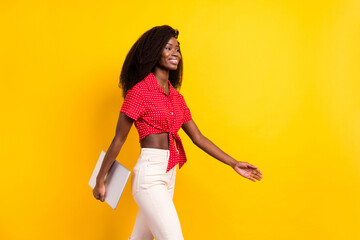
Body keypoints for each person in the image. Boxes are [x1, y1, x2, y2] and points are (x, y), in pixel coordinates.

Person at [93, 25, 263, 240]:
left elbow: (198, 138)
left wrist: (233, 163)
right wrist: (101, 179)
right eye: (168, 48)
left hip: (169, 173)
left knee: (140, 238)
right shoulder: (139, 92)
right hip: (149, 176)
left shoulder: (176, 98)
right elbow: (119, 139)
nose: (175, 53)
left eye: (177, 48)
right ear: (154, 53)